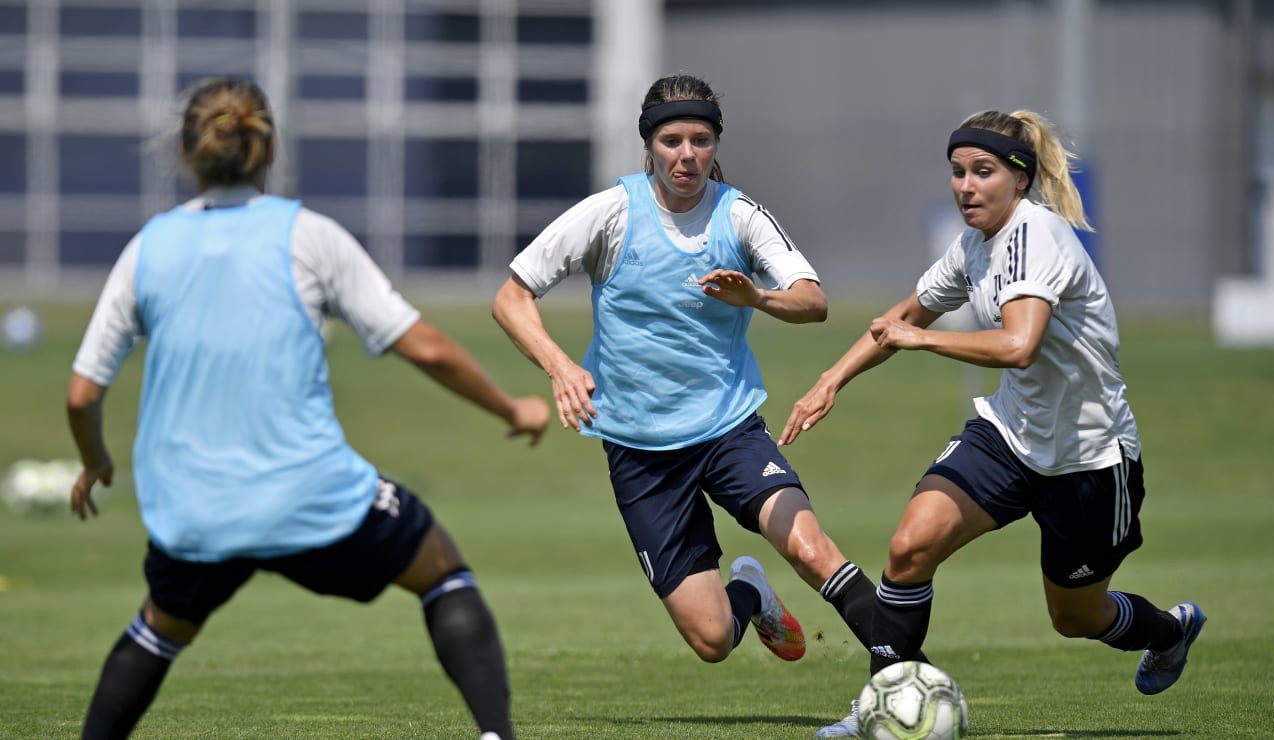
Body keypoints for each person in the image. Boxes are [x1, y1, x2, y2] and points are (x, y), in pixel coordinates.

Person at [66, 77, 549, 740]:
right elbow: (427, 348)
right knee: (442, 571)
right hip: (309, 496)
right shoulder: (308, 235)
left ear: (184, 149)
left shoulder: (147, 248)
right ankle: (497, 735)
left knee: (160, 626)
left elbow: (81, 393)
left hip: (195, 509)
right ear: (268, 150)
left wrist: (95, 462)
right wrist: (511, 408)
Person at [779, 109, 1206, 738]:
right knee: (909, 545)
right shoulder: (974, 245)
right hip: (1009, 435)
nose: (966, 187)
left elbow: (1018, 345)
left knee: (1075, 617)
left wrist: (917, 342)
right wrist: (830, 380)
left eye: (983, 172)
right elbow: (905, 314)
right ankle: (882, 703)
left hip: (1089, 459)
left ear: (1020, 180)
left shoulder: (1040, 237)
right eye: (957, 172)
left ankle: (1169, 631)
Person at [492, 73, 924, 683]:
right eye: (672, 140)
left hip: (728, 429)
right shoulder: (610, 212)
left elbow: (812, 299)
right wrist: (561, 367)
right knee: (714, 638)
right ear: (650, 145)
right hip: (641, 452)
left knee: (808, 547)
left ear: (716, 143)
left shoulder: (739, 214)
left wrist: (758, 297)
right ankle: (750, 593)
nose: (687, 154)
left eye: (700, 139)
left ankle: (913, 681)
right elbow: (511, 298)